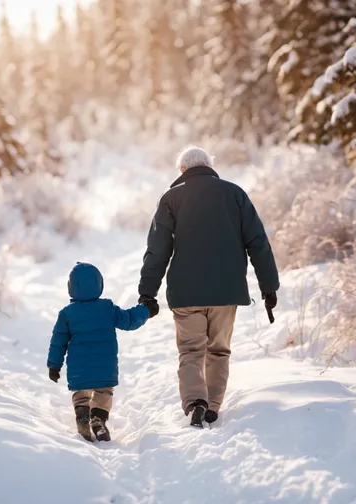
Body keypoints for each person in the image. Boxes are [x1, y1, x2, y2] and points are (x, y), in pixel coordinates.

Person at [138, 146, 279, 428]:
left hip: (185, 293)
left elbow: (158, 250)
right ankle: (213, 406)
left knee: (190, 351)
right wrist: (269, 286)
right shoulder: (235, 194)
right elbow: (258, 243)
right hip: (226, 292)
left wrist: (147, 293)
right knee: (218, 350)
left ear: (182, 171)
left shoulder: (171, 199)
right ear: (209, 166)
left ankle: (195, 403)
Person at [47, 262, 159, 442]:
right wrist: (146, 310)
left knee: (80, 393)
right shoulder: (108, 308)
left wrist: (54, 365)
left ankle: (82, 414)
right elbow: (129, 320)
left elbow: (58, 341)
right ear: (99, 285)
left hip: (79, 370)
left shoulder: (67, 314)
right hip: (104, 368)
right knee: (103, 392)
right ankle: (98, 418)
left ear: (70, 287)